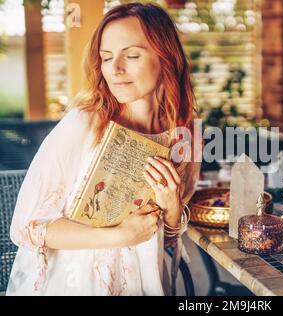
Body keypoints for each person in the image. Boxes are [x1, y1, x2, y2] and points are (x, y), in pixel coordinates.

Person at [7, 2, 200, 296]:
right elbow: (26, 227)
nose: (115, 69)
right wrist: (120, 235)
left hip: (146, 282)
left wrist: (173, 207)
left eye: (132, 55)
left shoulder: (186, 133)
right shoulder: (84, 123)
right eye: (106, 58)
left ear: (166, 58)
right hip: (79, 284)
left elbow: (168, 240)